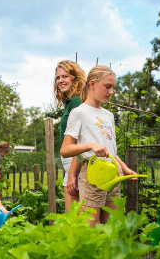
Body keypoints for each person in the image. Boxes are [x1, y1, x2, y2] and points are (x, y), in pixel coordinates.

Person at [60, 65, 138, 227]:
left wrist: (124, 168)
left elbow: (109, 150)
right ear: (93, 84)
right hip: (92, 172)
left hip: (112, 171)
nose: (111, 92)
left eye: (112, 88)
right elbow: (65, 149)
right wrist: (89, 145)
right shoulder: (79, 112)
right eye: (107, 87)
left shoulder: (108, 115)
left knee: (112, 227)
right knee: (90, 228)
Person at [54, 60, 86, 213]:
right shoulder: (70, 102)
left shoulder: (77, 102)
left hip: (76, 164)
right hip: (72, 165)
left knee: (74, 219)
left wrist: (72, 173)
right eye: (58, 77)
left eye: (64, 76)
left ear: (74, 78)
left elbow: (81, 140)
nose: (60, 81)